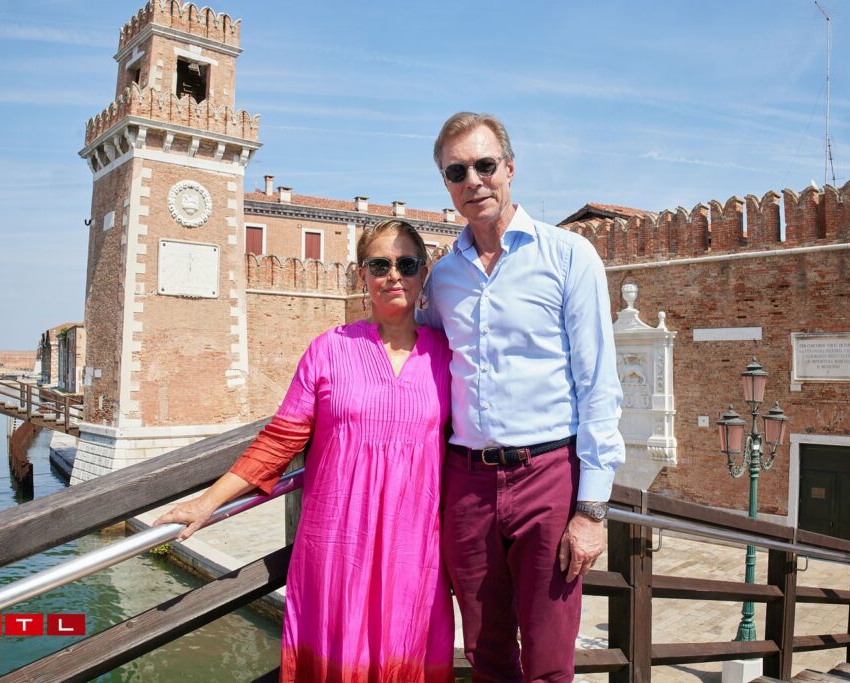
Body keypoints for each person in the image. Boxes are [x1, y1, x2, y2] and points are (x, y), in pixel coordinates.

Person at [155, 219, 455, 683]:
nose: (394, 275)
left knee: (407, 653)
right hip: (338, 545)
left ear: (423, 274)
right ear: (362, 276)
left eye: (406, 264)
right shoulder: (329, 350)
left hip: (413, 548)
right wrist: (207, 503)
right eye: (380, 264)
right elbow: (281, 439)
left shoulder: (448, 355)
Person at [420, 111, 625, 682]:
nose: (473, 181)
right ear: (447, 184)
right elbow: (421, 361)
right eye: (457, 171)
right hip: (467, 484)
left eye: (485, 165)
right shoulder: (442, 278)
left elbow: (598, 385)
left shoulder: (568, 256)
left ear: (510, 169)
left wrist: (591, 510)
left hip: (548, 477)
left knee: (549, 657)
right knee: (485, 654)